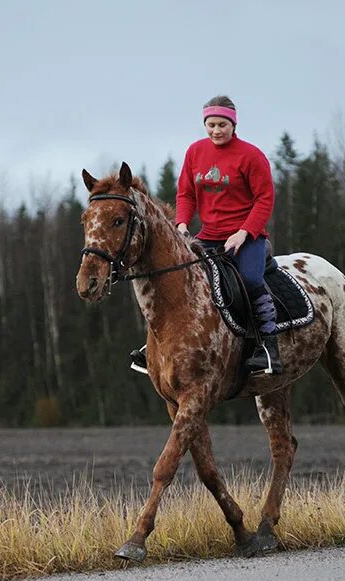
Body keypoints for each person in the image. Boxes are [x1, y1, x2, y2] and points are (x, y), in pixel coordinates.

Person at [130, 95, 282, 375]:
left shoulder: (251, 156)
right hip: (208, 235)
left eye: (222, 124)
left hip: (246, 237)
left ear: (233, 124)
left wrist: (244, 232)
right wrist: (182, 224)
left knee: (249, 279)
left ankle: (269, 348)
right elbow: (186, 193)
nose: (216, 130)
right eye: (210, 124)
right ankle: (153, 346)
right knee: (177, 280)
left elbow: (264, 199)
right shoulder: (195, 152)